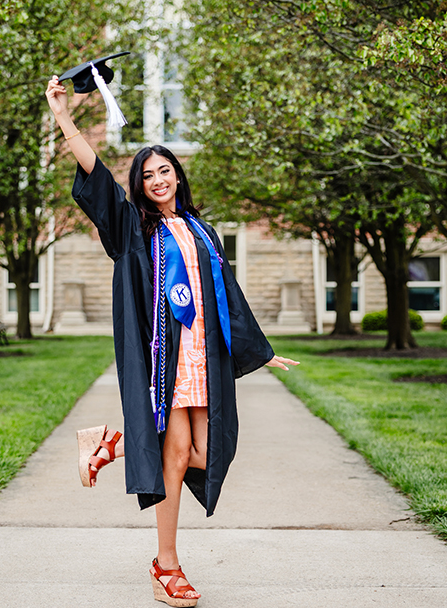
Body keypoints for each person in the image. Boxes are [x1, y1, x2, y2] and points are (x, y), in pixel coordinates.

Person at [45, 75, 299, 607]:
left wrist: (262, 350)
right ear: (139, 185)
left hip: (203, 359)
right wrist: (64, 116)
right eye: (148, 175)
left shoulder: (203, 231)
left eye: (166, 171)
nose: (158, 180)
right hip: (166, 359)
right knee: (177, 456)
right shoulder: (132, 230)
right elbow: (95, 173)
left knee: (211, 453)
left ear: (178, 177)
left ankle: (110, 444)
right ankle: (167, 566)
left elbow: (226, 294)